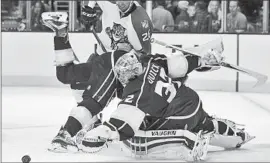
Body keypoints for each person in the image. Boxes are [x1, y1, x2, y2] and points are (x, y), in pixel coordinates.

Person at [78, 48, 254, 161]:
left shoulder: (136, 91)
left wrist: (103, 133)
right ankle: (238, 136)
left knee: (138, 138)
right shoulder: (152, 63)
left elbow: (124, 123)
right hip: (192, 100)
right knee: (205, 123)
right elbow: (182, 63)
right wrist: (203, 59)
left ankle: (189, 140)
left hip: (180, 115)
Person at [42, 0, 153, 153]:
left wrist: (128, 52)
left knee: (95, 99)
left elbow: (143, 58)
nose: (119, 3)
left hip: (119, 66)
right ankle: (61, 32)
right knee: (67, 76)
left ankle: (65, 134)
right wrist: (89, 6)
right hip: (101, 59)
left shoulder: (140, 20)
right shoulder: (109, 3)